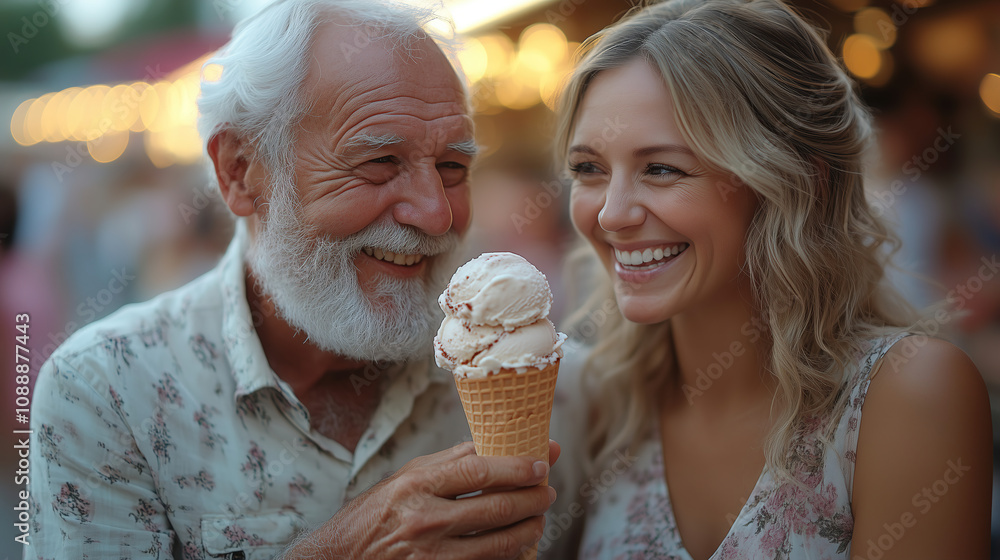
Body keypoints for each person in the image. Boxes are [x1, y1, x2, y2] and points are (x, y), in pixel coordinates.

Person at [26, 1, 587, 558]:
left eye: (452, 169)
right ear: (240, 173)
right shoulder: (106, 393)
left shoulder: (557, 383)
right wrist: (346, 548)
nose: (436, 215)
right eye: (379, 161)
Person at [554, 0, 993, 558]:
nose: (611, 214)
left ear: (797, 183)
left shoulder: (908, 394)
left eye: (662, 168)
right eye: (589, 168)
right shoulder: (596, 407)